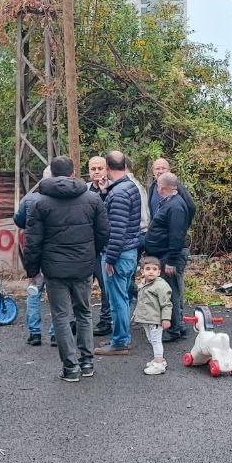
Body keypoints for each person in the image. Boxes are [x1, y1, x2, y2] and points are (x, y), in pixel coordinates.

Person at [22, 155, 109, 383]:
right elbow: (104, 232)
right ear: (73, 173)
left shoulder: (39, 202)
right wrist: (91, 254)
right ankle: (87, 362)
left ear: (51, 173)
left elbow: (32, 242)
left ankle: (70, 367)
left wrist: (32, 271)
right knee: (84, 312)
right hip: (83, 266)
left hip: (54, 269)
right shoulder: (92, 199)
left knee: (60, 316)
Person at [94, 150, 141, 356]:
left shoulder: (119, 193)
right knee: (122, 297)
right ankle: (120, 337)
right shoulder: (128, 186)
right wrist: (105, 193)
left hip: (119, 254)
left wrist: (110, 259)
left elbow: (117, 230)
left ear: (107, 167)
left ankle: (120, 341)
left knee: (117, 300)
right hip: (128, 252)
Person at [141, 172, 190, 343]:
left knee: (170, 293)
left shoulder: (176, 206)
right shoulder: (169, 202)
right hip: (162, 254)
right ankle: (177, 326)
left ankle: (174, 329)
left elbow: (177, 235)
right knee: (168, 292)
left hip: (169, 257)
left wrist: (171, 261)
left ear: (161, 187)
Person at [13, 167, 54, 346]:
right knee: (57, 296)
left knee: (34, 292)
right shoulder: (67, 199)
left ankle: (35, 333)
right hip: (56, 256)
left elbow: (18, 220)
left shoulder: (30, 199)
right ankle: (55, 334)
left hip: (35, 254)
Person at [132, 256, 173, 375]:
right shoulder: (143, 284)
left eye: (154, 269)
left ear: (159, 272)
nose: (151, 272)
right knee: (151, 339)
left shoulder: (160, 286)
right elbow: (141, 302)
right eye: (148, 269)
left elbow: (166, 304)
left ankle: (159, 364)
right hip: (146, 319)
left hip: (155, 320)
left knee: (156, 341)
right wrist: (136, 314)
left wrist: (166, 318)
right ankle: (159, 359)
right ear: (142, 271)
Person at [86, 155, 113, 337]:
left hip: (105, 247)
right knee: (82, 287)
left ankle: (106, 321)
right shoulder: (83, 190)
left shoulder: (113, 189)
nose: (96, 172)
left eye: (100, 168)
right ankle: (81, 321)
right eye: (93, 169)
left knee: (106, 287)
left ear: (107, 169)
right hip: (86, 247)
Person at [148, 157, 196, 224]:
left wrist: (184, 225)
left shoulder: (176, 186)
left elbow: (191, 207)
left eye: (163, 168)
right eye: (157, 169)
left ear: (169, 170)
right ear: (153, 171)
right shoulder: (152, 187)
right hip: (156, 229)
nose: (160, 171)